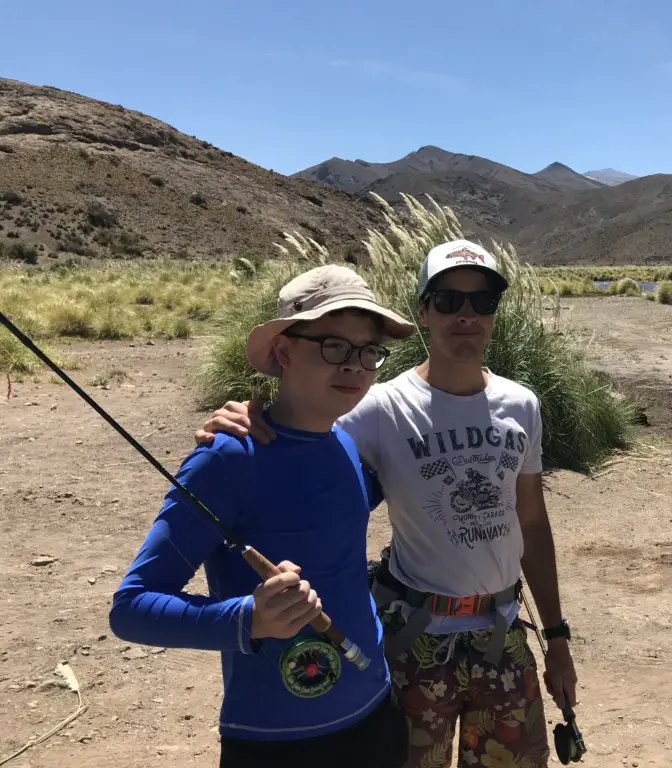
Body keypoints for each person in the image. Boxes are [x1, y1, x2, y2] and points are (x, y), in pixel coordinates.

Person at [197, 240, 578, 768]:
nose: (466, 315)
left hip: (503, 633)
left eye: (482, 302)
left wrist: (556, 638)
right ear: (423, 310)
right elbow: (301, 422)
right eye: (448, 301)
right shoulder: (379, 406)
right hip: (414, 641)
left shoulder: (522, 405)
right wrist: (245, 414)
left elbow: (532, 524)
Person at [110, 264, 417, 768]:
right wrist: (248, 619)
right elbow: (131, 608)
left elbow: (335, 517)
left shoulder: (345, 440)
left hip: (377, 714)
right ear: (283, 351)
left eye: (369, 351)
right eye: (334, 346)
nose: (355, 367)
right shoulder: (227, 458)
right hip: (277, 744)